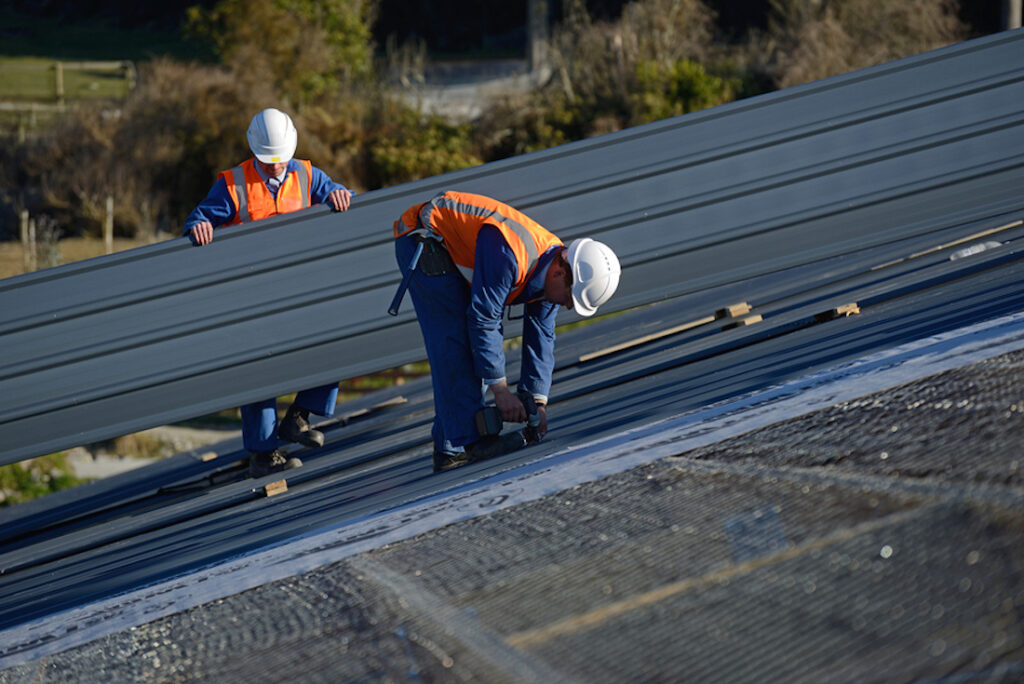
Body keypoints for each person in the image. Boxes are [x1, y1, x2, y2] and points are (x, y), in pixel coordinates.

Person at [393, 190, 621, 472]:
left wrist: (537, 401)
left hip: (447, 245)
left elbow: (542, 336)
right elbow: (483, 319)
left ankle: (452, 442)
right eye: (569, 298)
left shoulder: (553, 268)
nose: (568, 307)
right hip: (423, 239)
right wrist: (500, 390)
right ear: (561, 273)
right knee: (456, 340)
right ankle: (462, 444)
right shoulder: (511, 253)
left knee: (473, 342)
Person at [184, 108, 355, 477]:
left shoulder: (308, 174)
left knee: (336, 340)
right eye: (268, 161)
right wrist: (200, 225)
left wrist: (341, 194)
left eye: (281, 160)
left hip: (301, 287)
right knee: (259, 369)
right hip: (253, 294)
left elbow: (340, 195)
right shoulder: (233, 184)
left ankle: (299, 416)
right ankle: (264, 454)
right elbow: (200, 217)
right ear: (255, 151)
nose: (276, 167)